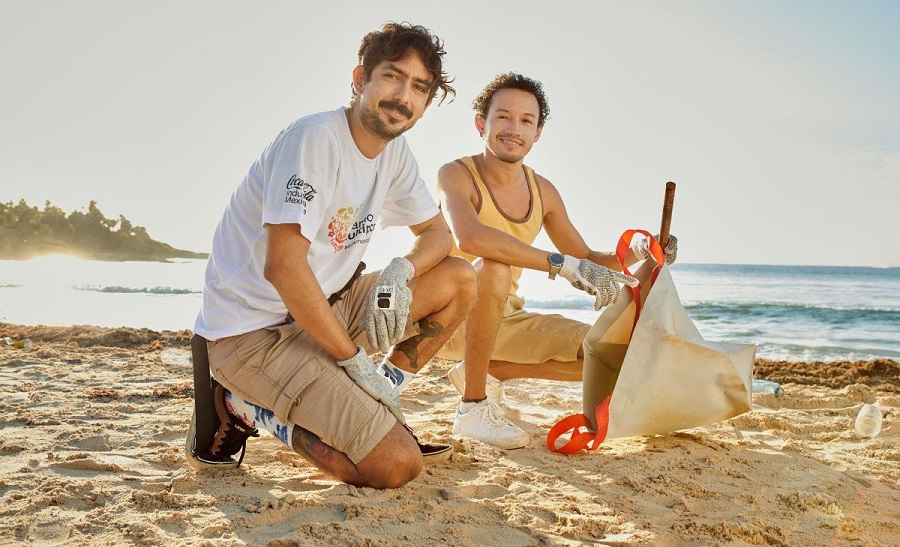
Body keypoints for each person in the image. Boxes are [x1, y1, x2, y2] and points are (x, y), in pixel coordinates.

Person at [186, 22, 477, 489]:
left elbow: (438, 235)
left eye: (419, 87)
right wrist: (353, 361)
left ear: (426, 102)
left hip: (325, 309)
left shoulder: (395, 152)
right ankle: (239, 405)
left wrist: (402, 271)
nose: (403, 96)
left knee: (459, 279)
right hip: (253, 335)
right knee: (394, 465)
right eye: (392, 77)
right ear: (360, 79)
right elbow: (282, 266)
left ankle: (384, 401)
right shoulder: (315, 139)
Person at [436, 73, 677, 449]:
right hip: (447, 317)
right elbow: (471, 237)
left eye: (526, 121)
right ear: (481, 123)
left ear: (538, 132)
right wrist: (558, 263)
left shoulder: (542, 191)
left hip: (506, 317)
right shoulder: (455, 174)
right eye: (503, 117)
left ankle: (490, 371)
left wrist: (644, 249)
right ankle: (473, 404)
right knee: (494, 266)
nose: (514, 129)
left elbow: (588, 260)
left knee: (606, 353)